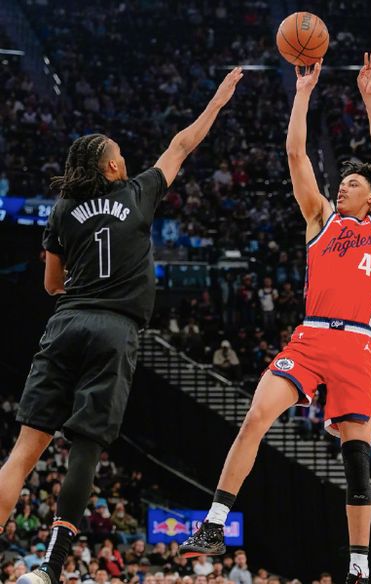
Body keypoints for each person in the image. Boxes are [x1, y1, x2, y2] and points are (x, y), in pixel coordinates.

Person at [1, 68, 244, 584]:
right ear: (112, 165)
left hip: (66, 322)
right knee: (84, 448)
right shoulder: (138, 193)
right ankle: (49, 569)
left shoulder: (63, 209)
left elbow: (51, 284)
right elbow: (181, 145)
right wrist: (218, 102)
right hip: (114, 331)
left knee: (22, 454)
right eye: (120, 153)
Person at [179, 51, 371, 584]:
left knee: (356, 459)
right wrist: (302, 94)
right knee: (256, 415)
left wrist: (370, 99)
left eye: (353, 184)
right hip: (311, 337)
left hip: (356, 345)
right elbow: (296, 153)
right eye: (342, 181)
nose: (344, 185)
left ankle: (358, 565)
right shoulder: (320, 217)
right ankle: (214, 521)